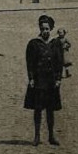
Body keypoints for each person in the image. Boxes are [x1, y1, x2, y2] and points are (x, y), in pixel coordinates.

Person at [24, 15, 62, 146]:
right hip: (39, 81)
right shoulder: (34, 43)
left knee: (50, 110)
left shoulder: (55, 43)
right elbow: (30, 63)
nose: (45, 31)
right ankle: (37, 136)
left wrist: (58, 79)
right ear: (39, 29)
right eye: (42, 28)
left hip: (51, 81)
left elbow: (59, 62)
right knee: (38, 109)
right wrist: (31, 78)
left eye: (47, 28)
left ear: (51, 28)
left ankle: (51, 135)